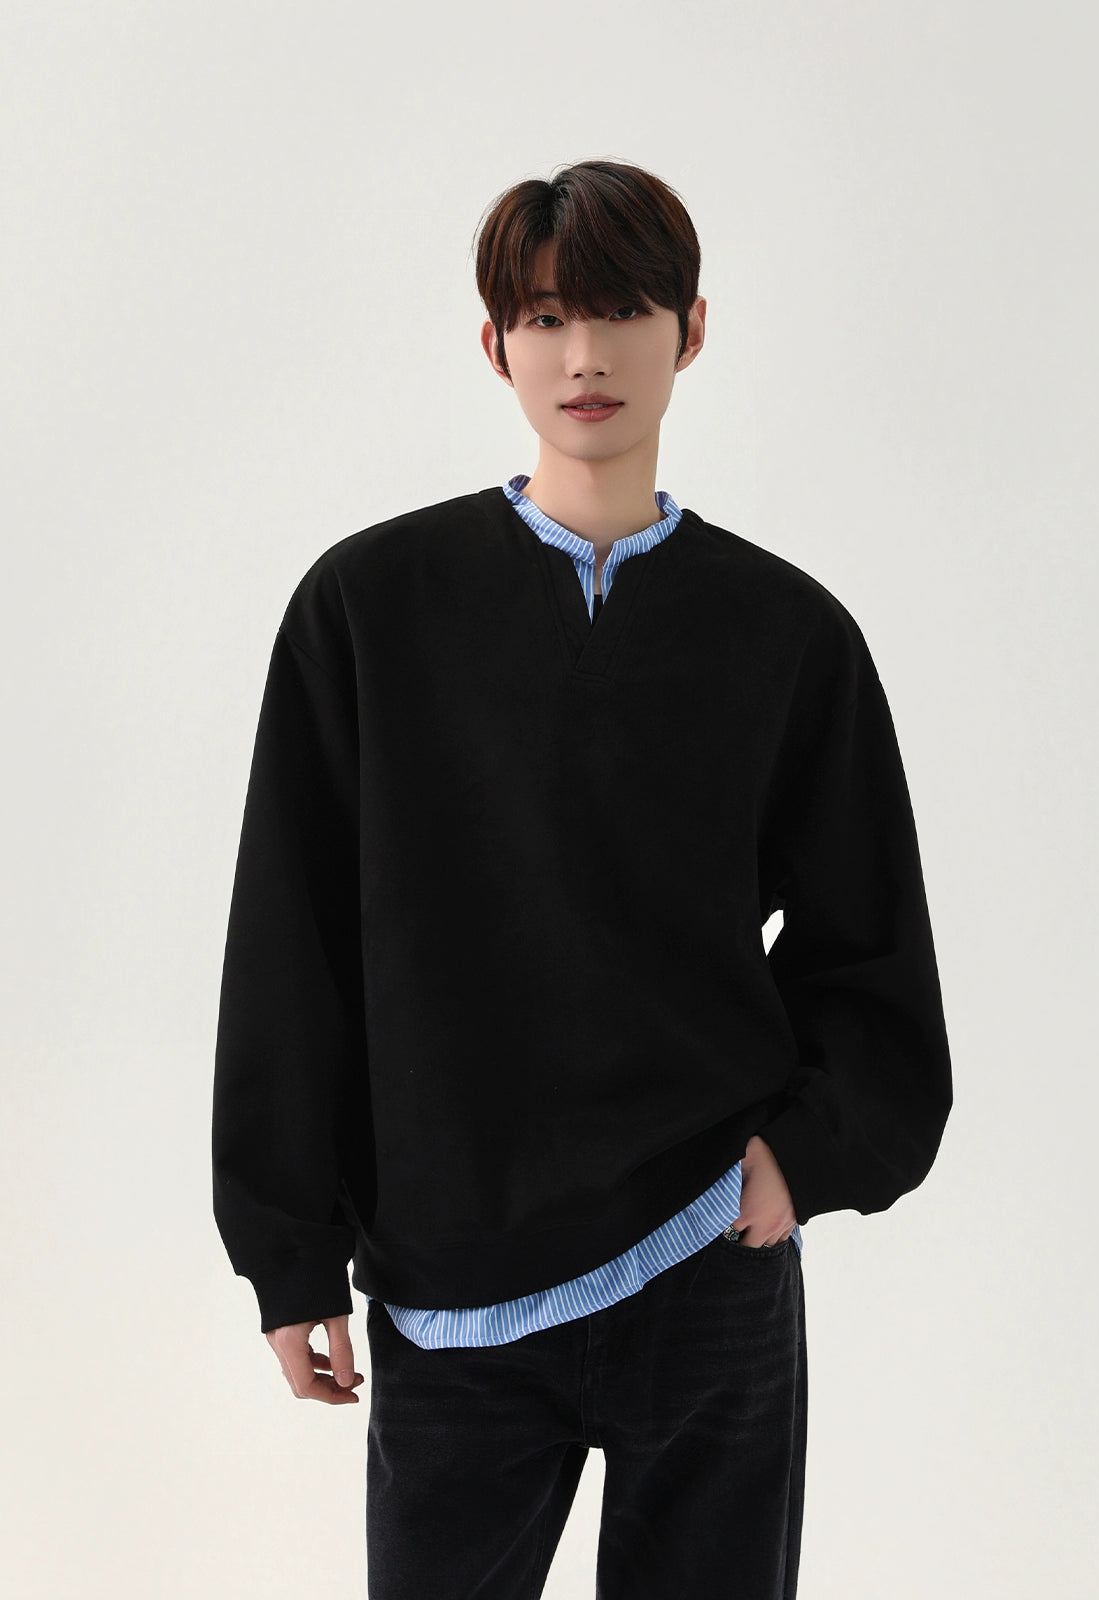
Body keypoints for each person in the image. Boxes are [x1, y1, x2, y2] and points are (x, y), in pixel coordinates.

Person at [212, 157, 953, 1599]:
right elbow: (290, 946)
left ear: (691, 329)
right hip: (451, 1285)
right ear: (495, 344)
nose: (586, 354)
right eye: (547, 317)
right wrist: (287, 1254)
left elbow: (871, 943)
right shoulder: (368, 609)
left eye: (622, 310)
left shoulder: (786, 634)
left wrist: (804, 1158)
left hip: (705, 1263)